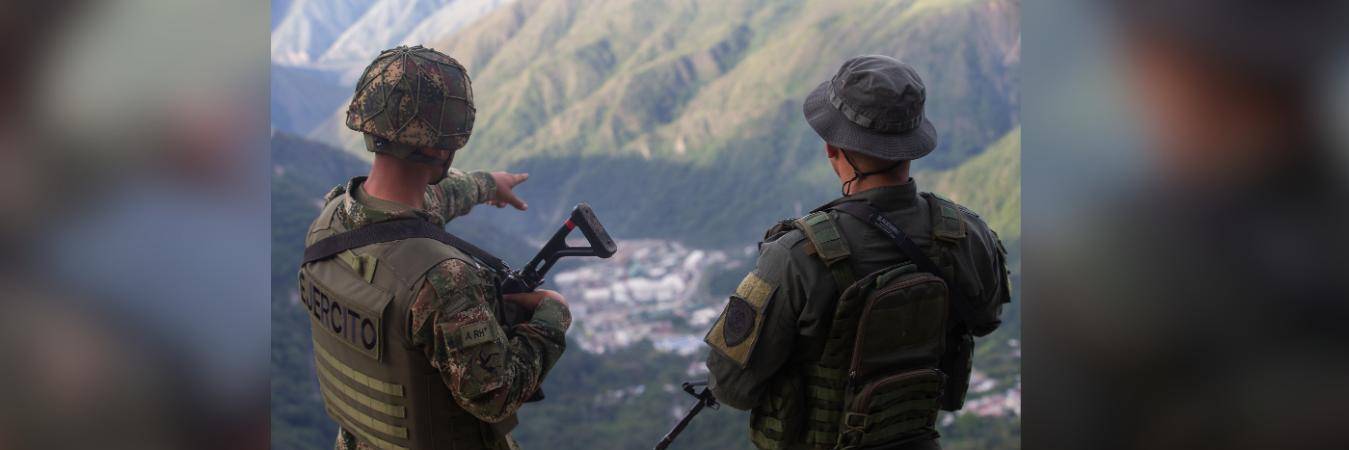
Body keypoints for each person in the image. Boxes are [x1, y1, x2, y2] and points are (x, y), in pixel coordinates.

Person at [703, 55, 1011, 450]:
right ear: (911, 146)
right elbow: (986, 320)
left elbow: (732, 386)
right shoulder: (968, 233)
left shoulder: (796, 256)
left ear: (834, 149)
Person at [298, 45, 571, 450]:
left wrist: (485, 184)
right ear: (445, 147)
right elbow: (497, 396)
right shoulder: (444, 279)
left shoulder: (331, 219)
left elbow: (428, 202)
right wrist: (553, 315)